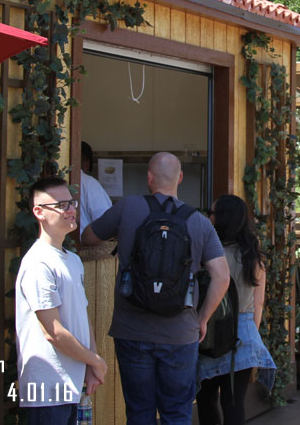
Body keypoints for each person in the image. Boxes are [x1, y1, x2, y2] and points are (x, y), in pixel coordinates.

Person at [82, 152, 229, 425]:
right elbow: (221, 276)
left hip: (132, 331)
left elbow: (88, 237)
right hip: (181, 333)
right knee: (176, 413)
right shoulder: (199, 222)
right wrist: (202, 318)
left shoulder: (127, 208)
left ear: (149, 178)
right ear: (180, 178)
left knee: (139, 413)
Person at [15, 177, 107, 424]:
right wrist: (95, 360)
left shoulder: (72, 260)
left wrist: (90, 364)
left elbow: (81, 314)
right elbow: (52, 331)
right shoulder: (38, 262)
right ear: (39, 212)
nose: (71, 210)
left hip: (72, 386)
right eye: (61, 205)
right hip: (47, 389)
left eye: (72, 202)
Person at [196, 194, 276, 425]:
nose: (207, 217)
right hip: (244, 333)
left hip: (210, 332)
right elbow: (259, 303)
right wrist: (251, 332)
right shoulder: (252, 255)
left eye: (211, 213)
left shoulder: (210, 255)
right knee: (234, 403)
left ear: (221, 219)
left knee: (206, 399)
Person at [78, 141, 113, 233]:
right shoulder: (89, 183)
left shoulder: (53, 183)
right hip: (84, 244)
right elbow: (107, 223)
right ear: (87, 163)